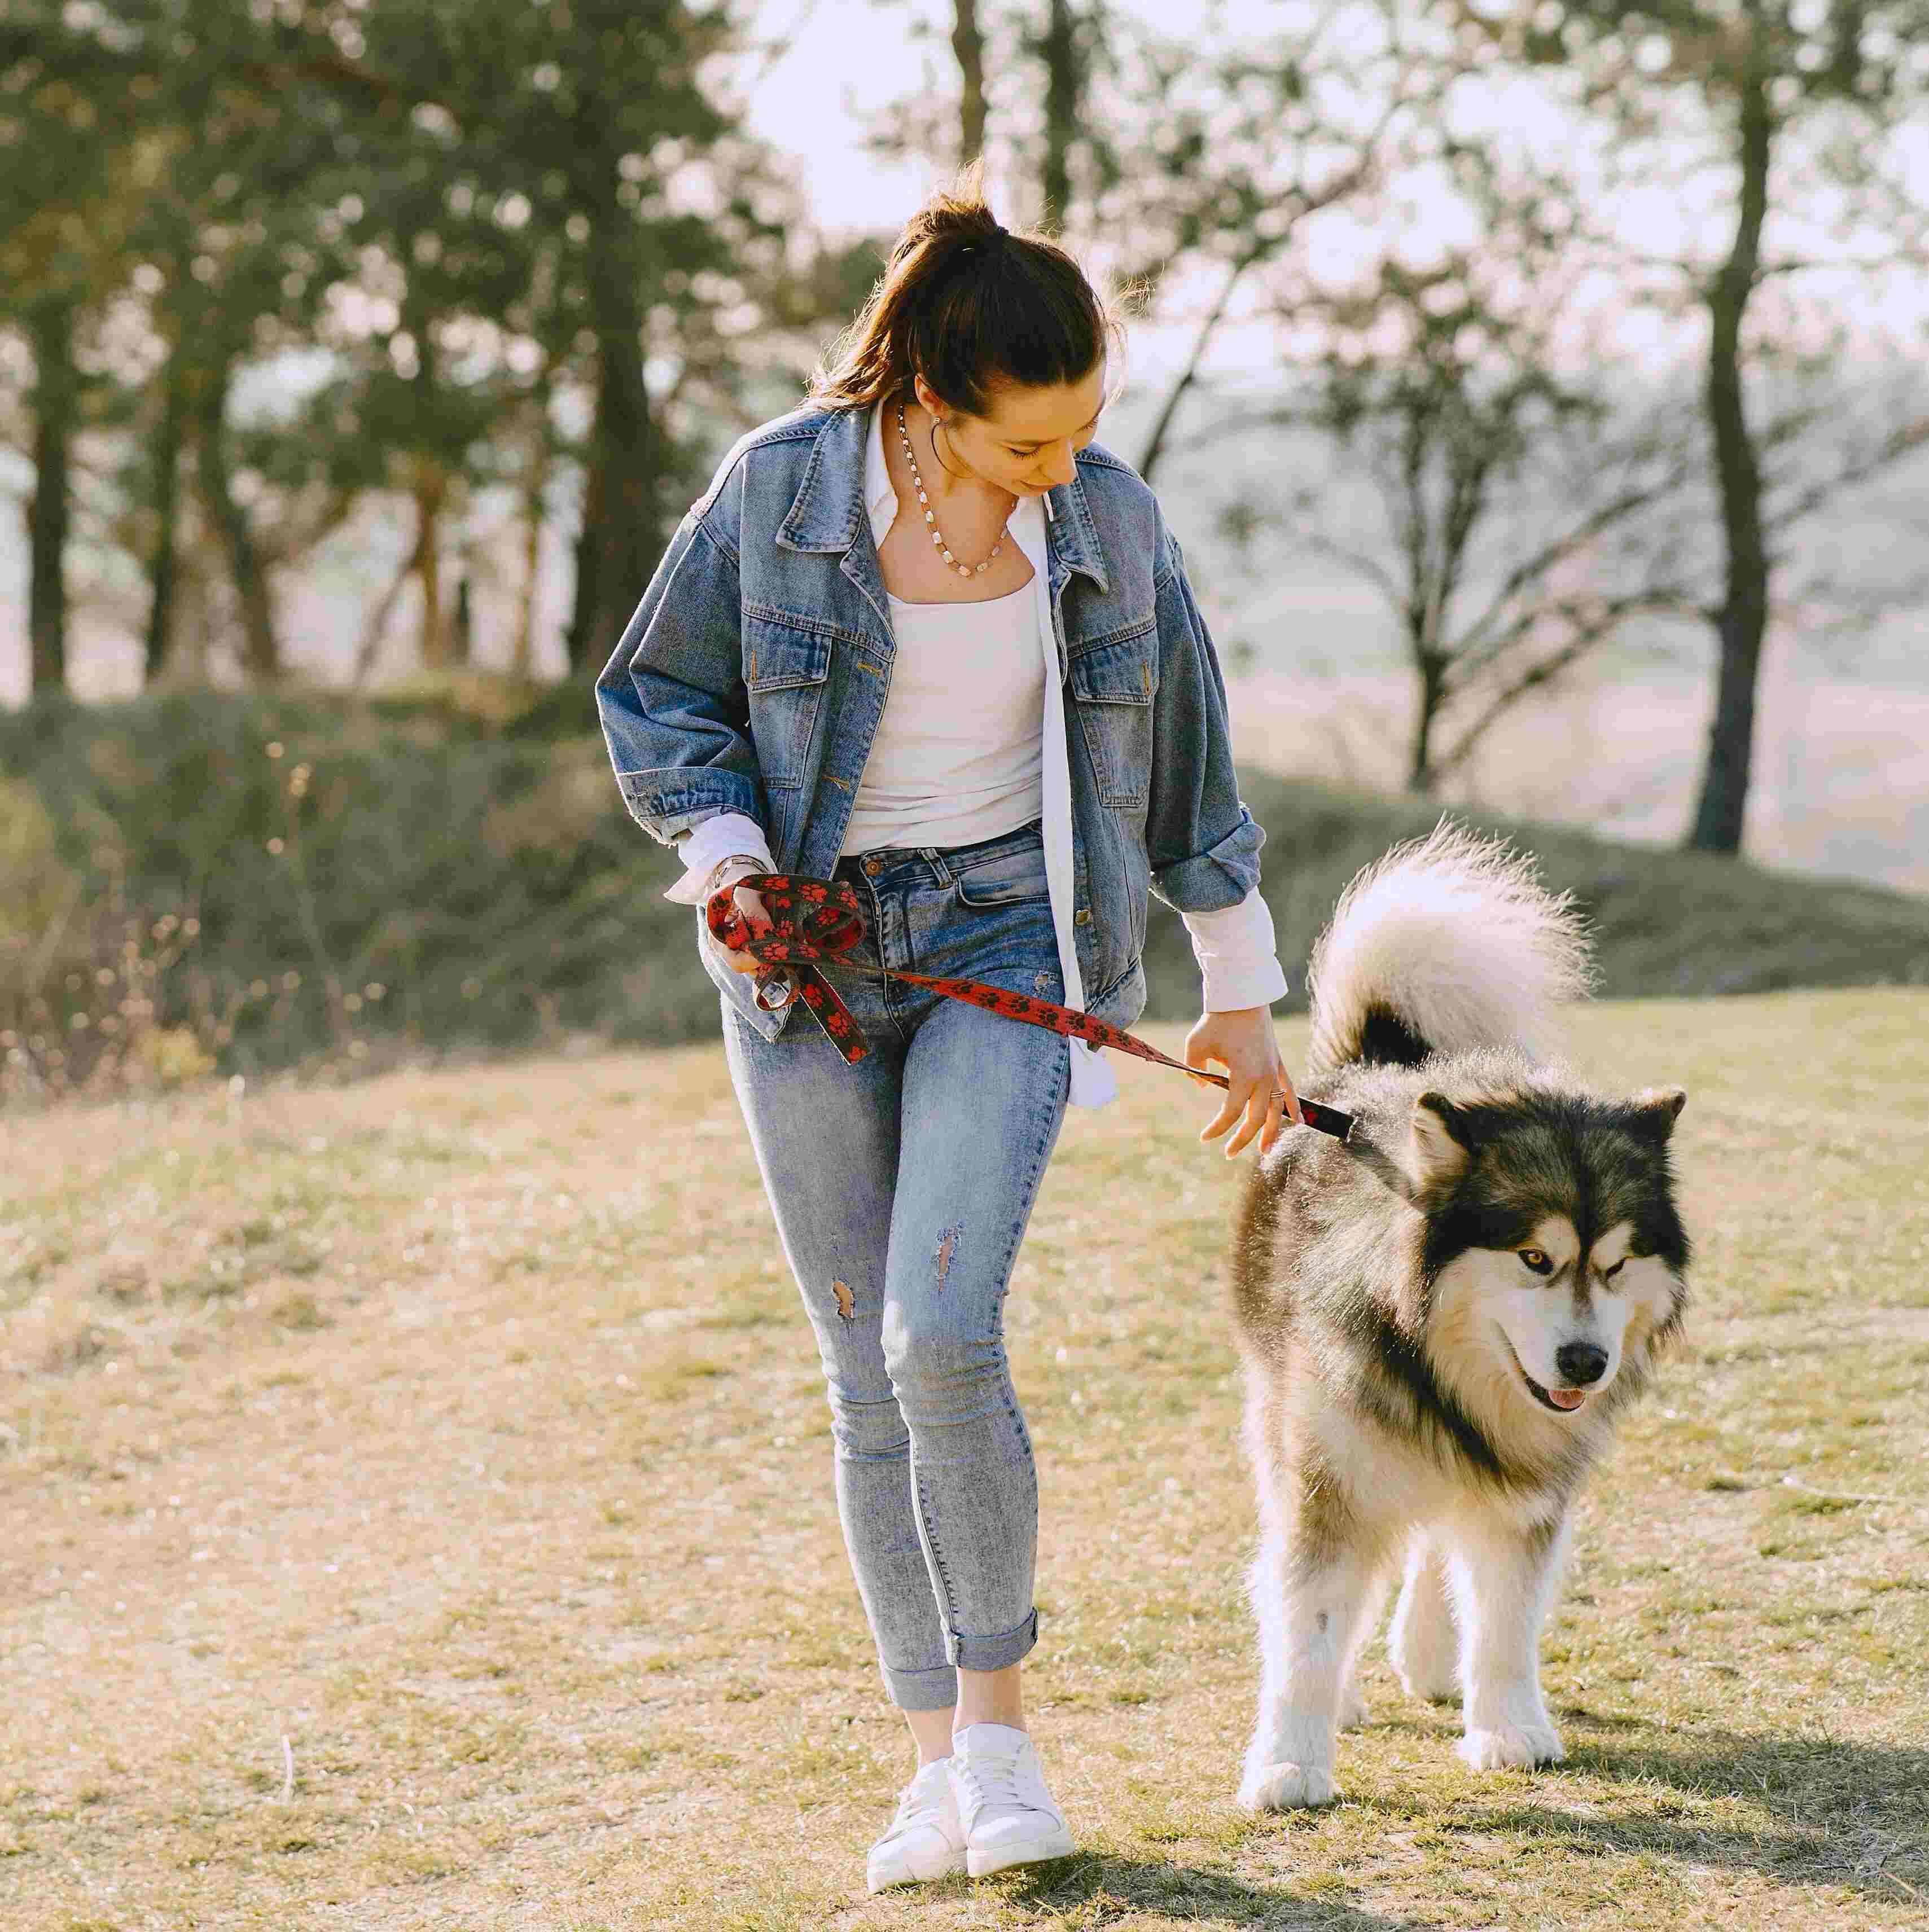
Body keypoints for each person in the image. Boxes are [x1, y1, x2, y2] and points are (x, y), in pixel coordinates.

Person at [594, 163, 1304, 1893]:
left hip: (1006, 935)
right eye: (1023, 443)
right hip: (805, 964)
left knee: (940, 1339)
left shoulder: (1110, 526)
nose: (1059, 470)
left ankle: (1000, 1743)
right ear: (928, 398)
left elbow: (1188, 770)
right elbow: (658, 694)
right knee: (861, 1374)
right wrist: (726, 854)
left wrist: (1237, 996)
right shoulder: (778, 491)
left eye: (1080, 433)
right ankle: (930, 1777)